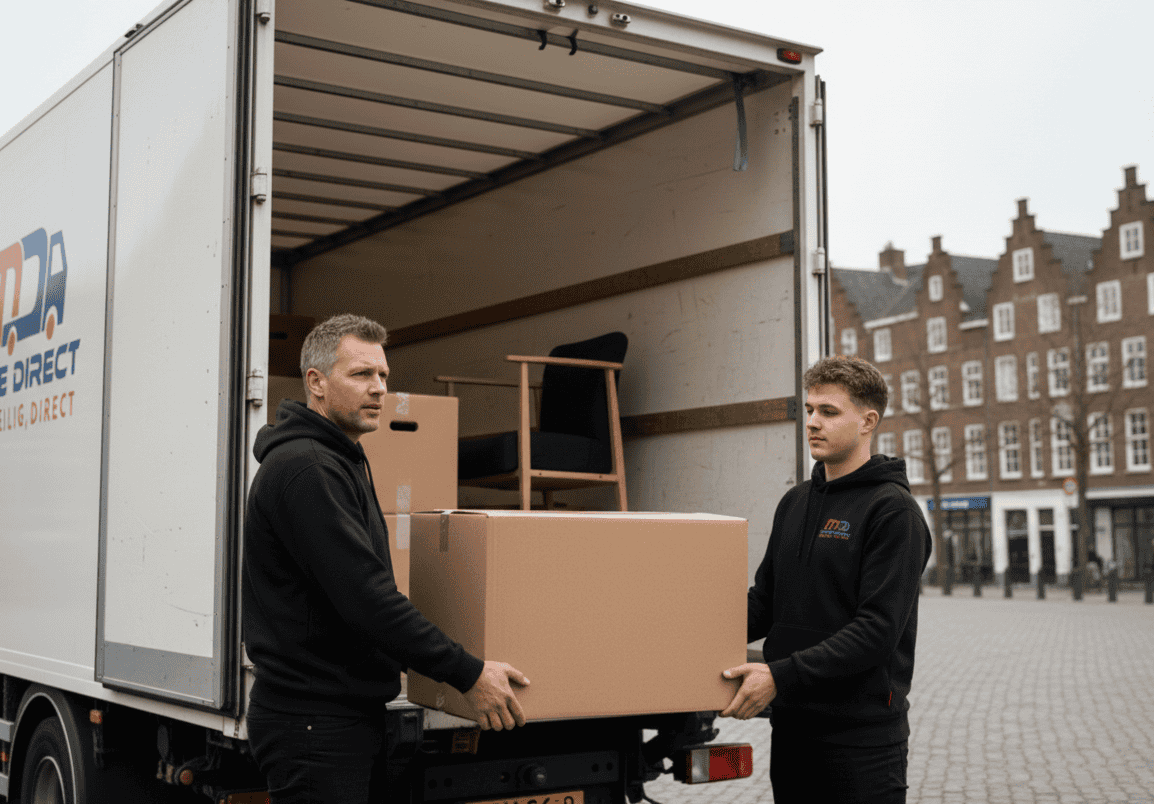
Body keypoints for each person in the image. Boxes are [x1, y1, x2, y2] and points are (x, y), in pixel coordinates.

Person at [243, 313, 529, 804]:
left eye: (383, 376)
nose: (378, 389)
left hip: (341, 714)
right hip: (314, 724)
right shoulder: (307, 469)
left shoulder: (339, 458)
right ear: (316, 382)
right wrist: (468, 672)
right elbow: (367, 599)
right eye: (361, 375)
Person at [721, 355, 932, 803]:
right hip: (793, 730)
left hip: (861, 741)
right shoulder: (795, 502)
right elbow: (765, 602)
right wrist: (697, 634)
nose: (813, 422)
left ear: (867, 421)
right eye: (810, 410)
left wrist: (780, 675)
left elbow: (876, 631)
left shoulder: (893, 512)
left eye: (829, 412)